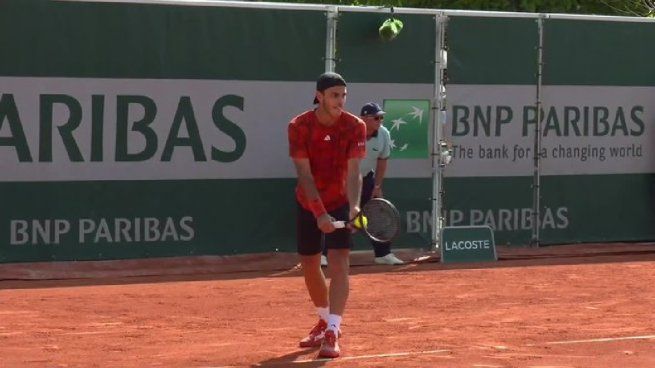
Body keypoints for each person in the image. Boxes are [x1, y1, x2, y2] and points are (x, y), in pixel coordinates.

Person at [287, 72, 366, 358]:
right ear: (319, 96)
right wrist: (319, 213)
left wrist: (355, 206)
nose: (341, 101)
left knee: (339, 262)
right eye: (335, 95)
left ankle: (333, 328)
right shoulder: (299, 126)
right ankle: (322, 319)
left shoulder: (354, 126)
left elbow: (355, 173)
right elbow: (304, 175)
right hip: (308, 201)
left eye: (344, 95)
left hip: (341, 199)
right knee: (309, 264)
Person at [321, 102, 404, 266]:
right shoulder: (348, 133)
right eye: (376, 118)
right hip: (341, 180)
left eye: (381, 117)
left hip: (366, 180)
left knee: (376, 214)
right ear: (364, 119)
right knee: (336, 217)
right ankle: (323, 254)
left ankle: (383, 254)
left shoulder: (384, 134)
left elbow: (382, 160)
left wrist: (377, 186)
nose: (380, 121)